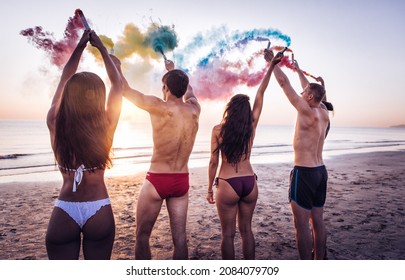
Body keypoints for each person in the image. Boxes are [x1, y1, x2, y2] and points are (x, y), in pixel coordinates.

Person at [45, 30, 123, 259]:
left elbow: (64, 78)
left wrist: (80, 46)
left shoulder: (55, 122)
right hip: (99, 208)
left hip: (65, 209)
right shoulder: (107, 124)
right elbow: (117, 85)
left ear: (68, 96)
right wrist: (101, 48)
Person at [113, 58, 201, 259]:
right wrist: (173, 70)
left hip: (157, 179)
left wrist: (116, 65)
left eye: (164, 86)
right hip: (181, 181)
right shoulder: (195, 109)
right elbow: (191, 91)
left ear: (165, 88)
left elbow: (124, 89)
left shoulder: (157, 106)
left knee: (142, 236)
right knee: (180, 238)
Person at [207, 49, 281, 259]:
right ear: (246, 112)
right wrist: (271, 66)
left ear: (229, 109)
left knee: (227, 235)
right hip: (249, 182)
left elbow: (213, 162)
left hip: (228, 183)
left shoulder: (217, 130)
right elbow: (261, 93)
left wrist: (209, 188)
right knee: (247, 231)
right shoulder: (251, 126)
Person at [273, 53, 332, 260]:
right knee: (318, 221)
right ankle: (319, 261)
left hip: (304, 173)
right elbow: (314, 91)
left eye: (305, 91)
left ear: (308, 97)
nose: (302, 91)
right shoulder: (324, 111)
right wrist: (298, 69)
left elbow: (283, 83)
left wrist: (272, 63)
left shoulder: (305, 110)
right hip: (320, 172)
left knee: (300, 225)